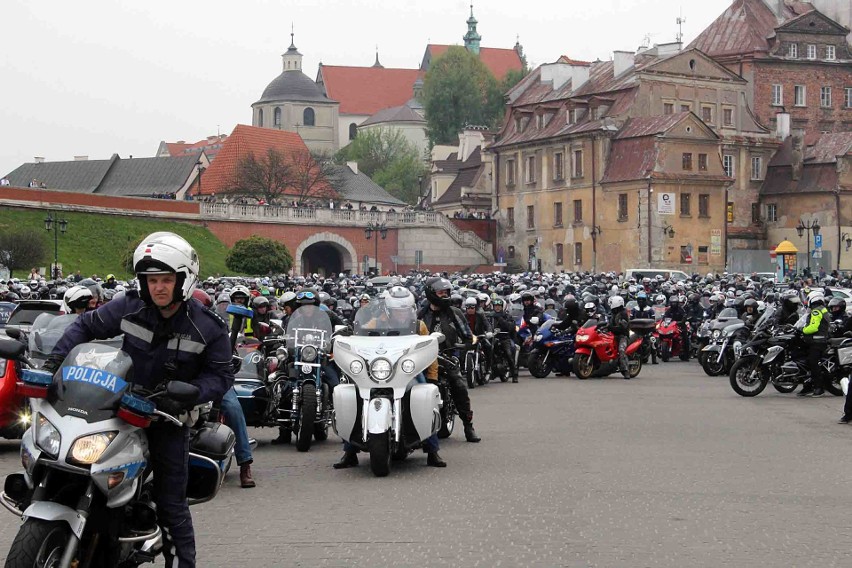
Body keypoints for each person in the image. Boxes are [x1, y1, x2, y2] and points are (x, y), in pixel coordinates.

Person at [41, 232, 233, 568]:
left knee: (171, 504)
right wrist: (54, 365)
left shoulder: (207, 326)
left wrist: (189, 395)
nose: (158, 287)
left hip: (166, 418)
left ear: (184, 281)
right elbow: (85, 327)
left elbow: (221, 377)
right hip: (118, 407)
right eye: (152, 280)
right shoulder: (130, 305)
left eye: (166, 280)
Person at [335, 287, 447, 468]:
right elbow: (359, 336)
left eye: (405, 311)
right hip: (379, 370)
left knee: (426, 397)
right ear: (388, 310)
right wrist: (350, 336)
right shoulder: (376, 322)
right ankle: (349, 452)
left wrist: (432, 375)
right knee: (354, 399)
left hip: (407, 371)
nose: (401, 314)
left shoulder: (419, 326)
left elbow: (430, 350)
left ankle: (432, 451)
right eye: (397, 311)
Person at [418, 277, 480, 443]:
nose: (444, 295)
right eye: (441, 292)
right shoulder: (420, 313)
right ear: (431, 293)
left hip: (446, 356)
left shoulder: (454, 313)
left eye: (446, 292)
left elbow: (467, 335)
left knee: (459, 385)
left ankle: (468, 426)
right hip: (422, 357)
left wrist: (464, 345)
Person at [799, 290, 830, 397]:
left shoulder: (816, 311)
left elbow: (813, 327)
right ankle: (808, 386)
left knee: (812, 362)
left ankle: (819, 387)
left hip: (818, 342)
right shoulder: (822, 309)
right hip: (817, 341)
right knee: (804, 361)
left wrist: (802, 329)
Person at [489, 298, 519, 382]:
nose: (497, 308)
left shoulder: (507, 316)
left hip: (504, 338)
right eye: (496, 306)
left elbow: (510, 327)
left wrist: (500, 319)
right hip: (492, 338)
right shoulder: (490, 315)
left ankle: (515, 375)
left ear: (503, 307)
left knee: (509, 354)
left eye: (499, 306)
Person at [608, 295, 631, 379]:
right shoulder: (613, 313)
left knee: (621, 350)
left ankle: (626, 370)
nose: (610, 305)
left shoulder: (623, 314)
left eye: (611, 303)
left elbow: (622, 328)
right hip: (612, 335)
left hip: (622, 336)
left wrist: (610, 328)